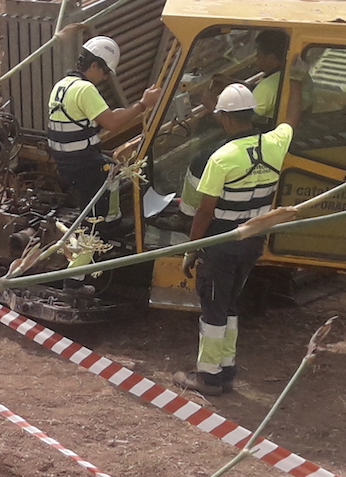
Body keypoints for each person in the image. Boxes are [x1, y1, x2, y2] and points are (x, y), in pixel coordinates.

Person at [174, 83, 293, 396]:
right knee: (230, 304)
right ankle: (226, 368)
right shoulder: (276, 143)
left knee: (213, 308)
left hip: (221, 245)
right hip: (252, 241)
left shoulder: (222, 158)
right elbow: (290, 121)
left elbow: (204, 212)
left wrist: (191, 249)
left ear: (224, 118)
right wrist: (297, 81)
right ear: (251, 114)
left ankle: (209, 376)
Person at [45, 36, 161, 214]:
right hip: (83, 164)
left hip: (64, 161)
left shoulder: (62, 85)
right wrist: (143, 104)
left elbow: (97, 119)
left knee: (108, 168)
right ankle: (106, 228)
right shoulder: (85, 89)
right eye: (105, 71)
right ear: (94, 66)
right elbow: (112, 122)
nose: (106, 77)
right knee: (110, 190)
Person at [250, 29, 287, 123]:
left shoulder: (267, 87)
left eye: (259, 54)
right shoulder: (298, 76)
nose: (256, 57)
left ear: (272, 58)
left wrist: (211, 103)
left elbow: (242, 123)